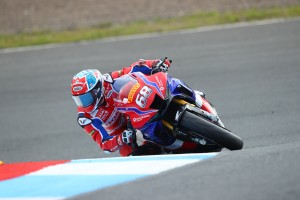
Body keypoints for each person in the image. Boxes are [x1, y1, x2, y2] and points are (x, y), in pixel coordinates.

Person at [70, 58, 216, 156]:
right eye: (79, 99)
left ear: (97, 89)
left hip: (137, 108)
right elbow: (103, 143)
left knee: (168, 84)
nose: (83, 103)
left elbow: (132, 69)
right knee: (138, 153)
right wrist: (122, 138)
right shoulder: (85, 117)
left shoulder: (108, 80)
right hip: (125, 132)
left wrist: (155, 64)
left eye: (86, 97)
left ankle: (196, 98)